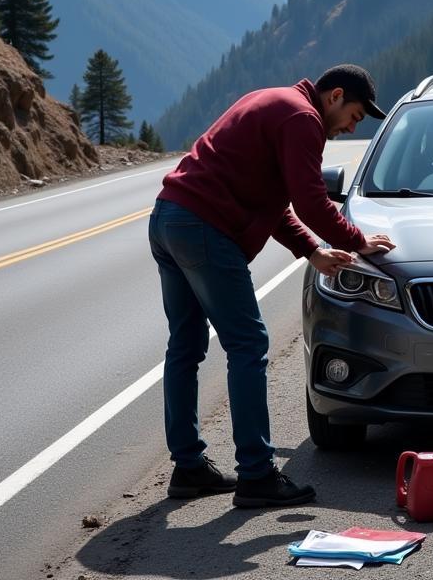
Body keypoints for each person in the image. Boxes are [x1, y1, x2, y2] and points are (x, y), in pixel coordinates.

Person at [148, 64, 395, 508]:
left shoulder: (275, 101)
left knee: (185, 345)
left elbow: (272, 201)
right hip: (204, 226)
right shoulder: (304, 119)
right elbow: (310, 201)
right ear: (334, 96)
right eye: (355, 115)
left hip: (170, 218)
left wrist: (312, 251)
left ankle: (188, 468)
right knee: (248, 343)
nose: (352, 127)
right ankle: (257, 473)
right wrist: (358, 242)